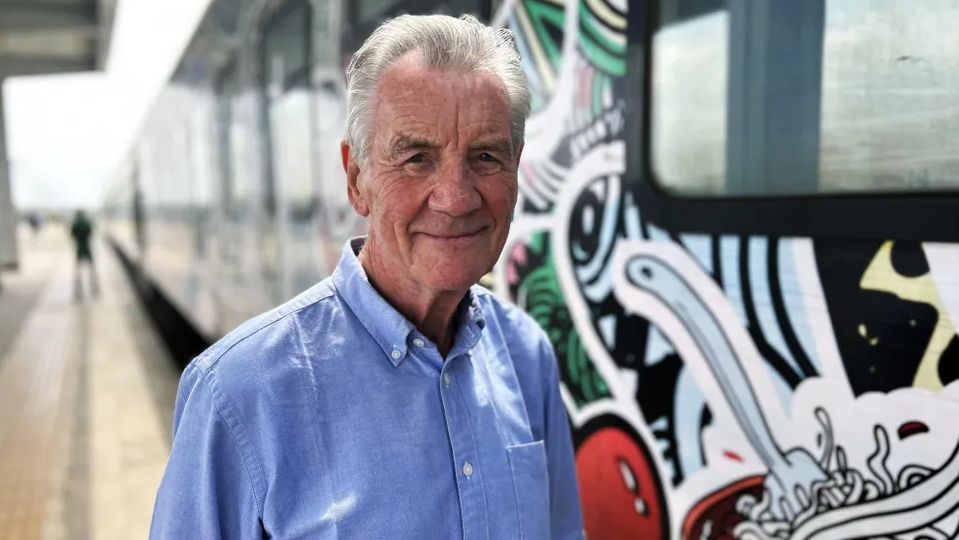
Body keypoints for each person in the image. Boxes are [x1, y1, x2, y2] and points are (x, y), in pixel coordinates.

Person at [150, 14, 583, 539]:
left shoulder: (526, 357)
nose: (455, 197)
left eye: (486, 157)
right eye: (417, 157)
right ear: (358, 181)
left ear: (516, 171)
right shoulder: (237, 395)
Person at [70, 209, 99, 299]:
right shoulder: (87, 222)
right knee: (91, 266)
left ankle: (78, 285)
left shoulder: (75, 223)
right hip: (87, 247)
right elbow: (91, 232)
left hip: (79, 247)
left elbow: (72, 234)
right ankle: (94, 284)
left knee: (78, 267)